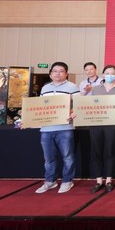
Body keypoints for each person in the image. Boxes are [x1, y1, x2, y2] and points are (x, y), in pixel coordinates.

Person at [35, 62, 79, 194]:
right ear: (50, 74)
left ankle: (67, 181)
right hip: (46, 128)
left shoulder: (72, 87)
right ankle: (50, 181)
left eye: (61, 71)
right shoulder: (45, 88)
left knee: (67, 157)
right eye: (55, 71)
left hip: (65, 127)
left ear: (66, 74)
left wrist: (73, 112)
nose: (58, 73)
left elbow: (79, 104)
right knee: (49, 158)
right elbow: (40, 106)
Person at [89, 64, 115, 193]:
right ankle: (99, 180)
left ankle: (109, 180)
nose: (110, 75)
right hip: (96, 124)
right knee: (97, 151)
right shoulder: (95, 89)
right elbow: (90, 106)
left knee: (111, 152)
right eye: (107, 73)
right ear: (103, 75)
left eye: (112, 73)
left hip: (113, 124)